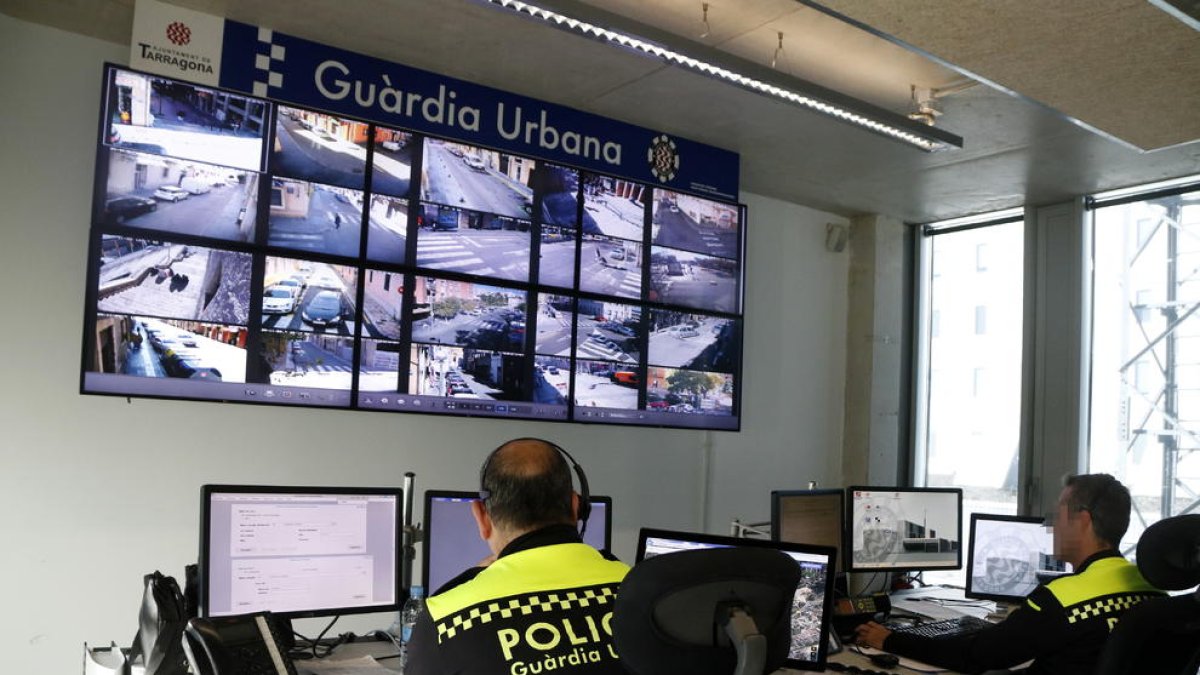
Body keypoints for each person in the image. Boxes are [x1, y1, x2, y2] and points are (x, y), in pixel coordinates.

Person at [854, 474, 1165, 675]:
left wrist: (891, 640)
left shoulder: (1060, 599)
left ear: (1081, 521)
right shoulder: (1157, 593)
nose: (1051, 526)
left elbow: (977, 656)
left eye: (1058, 514)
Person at [406, 438, 630, 675]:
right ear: (577, 507)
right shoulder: (639, 591)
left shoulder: (445, 621)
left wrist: (471, 583)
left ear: (481, 517)